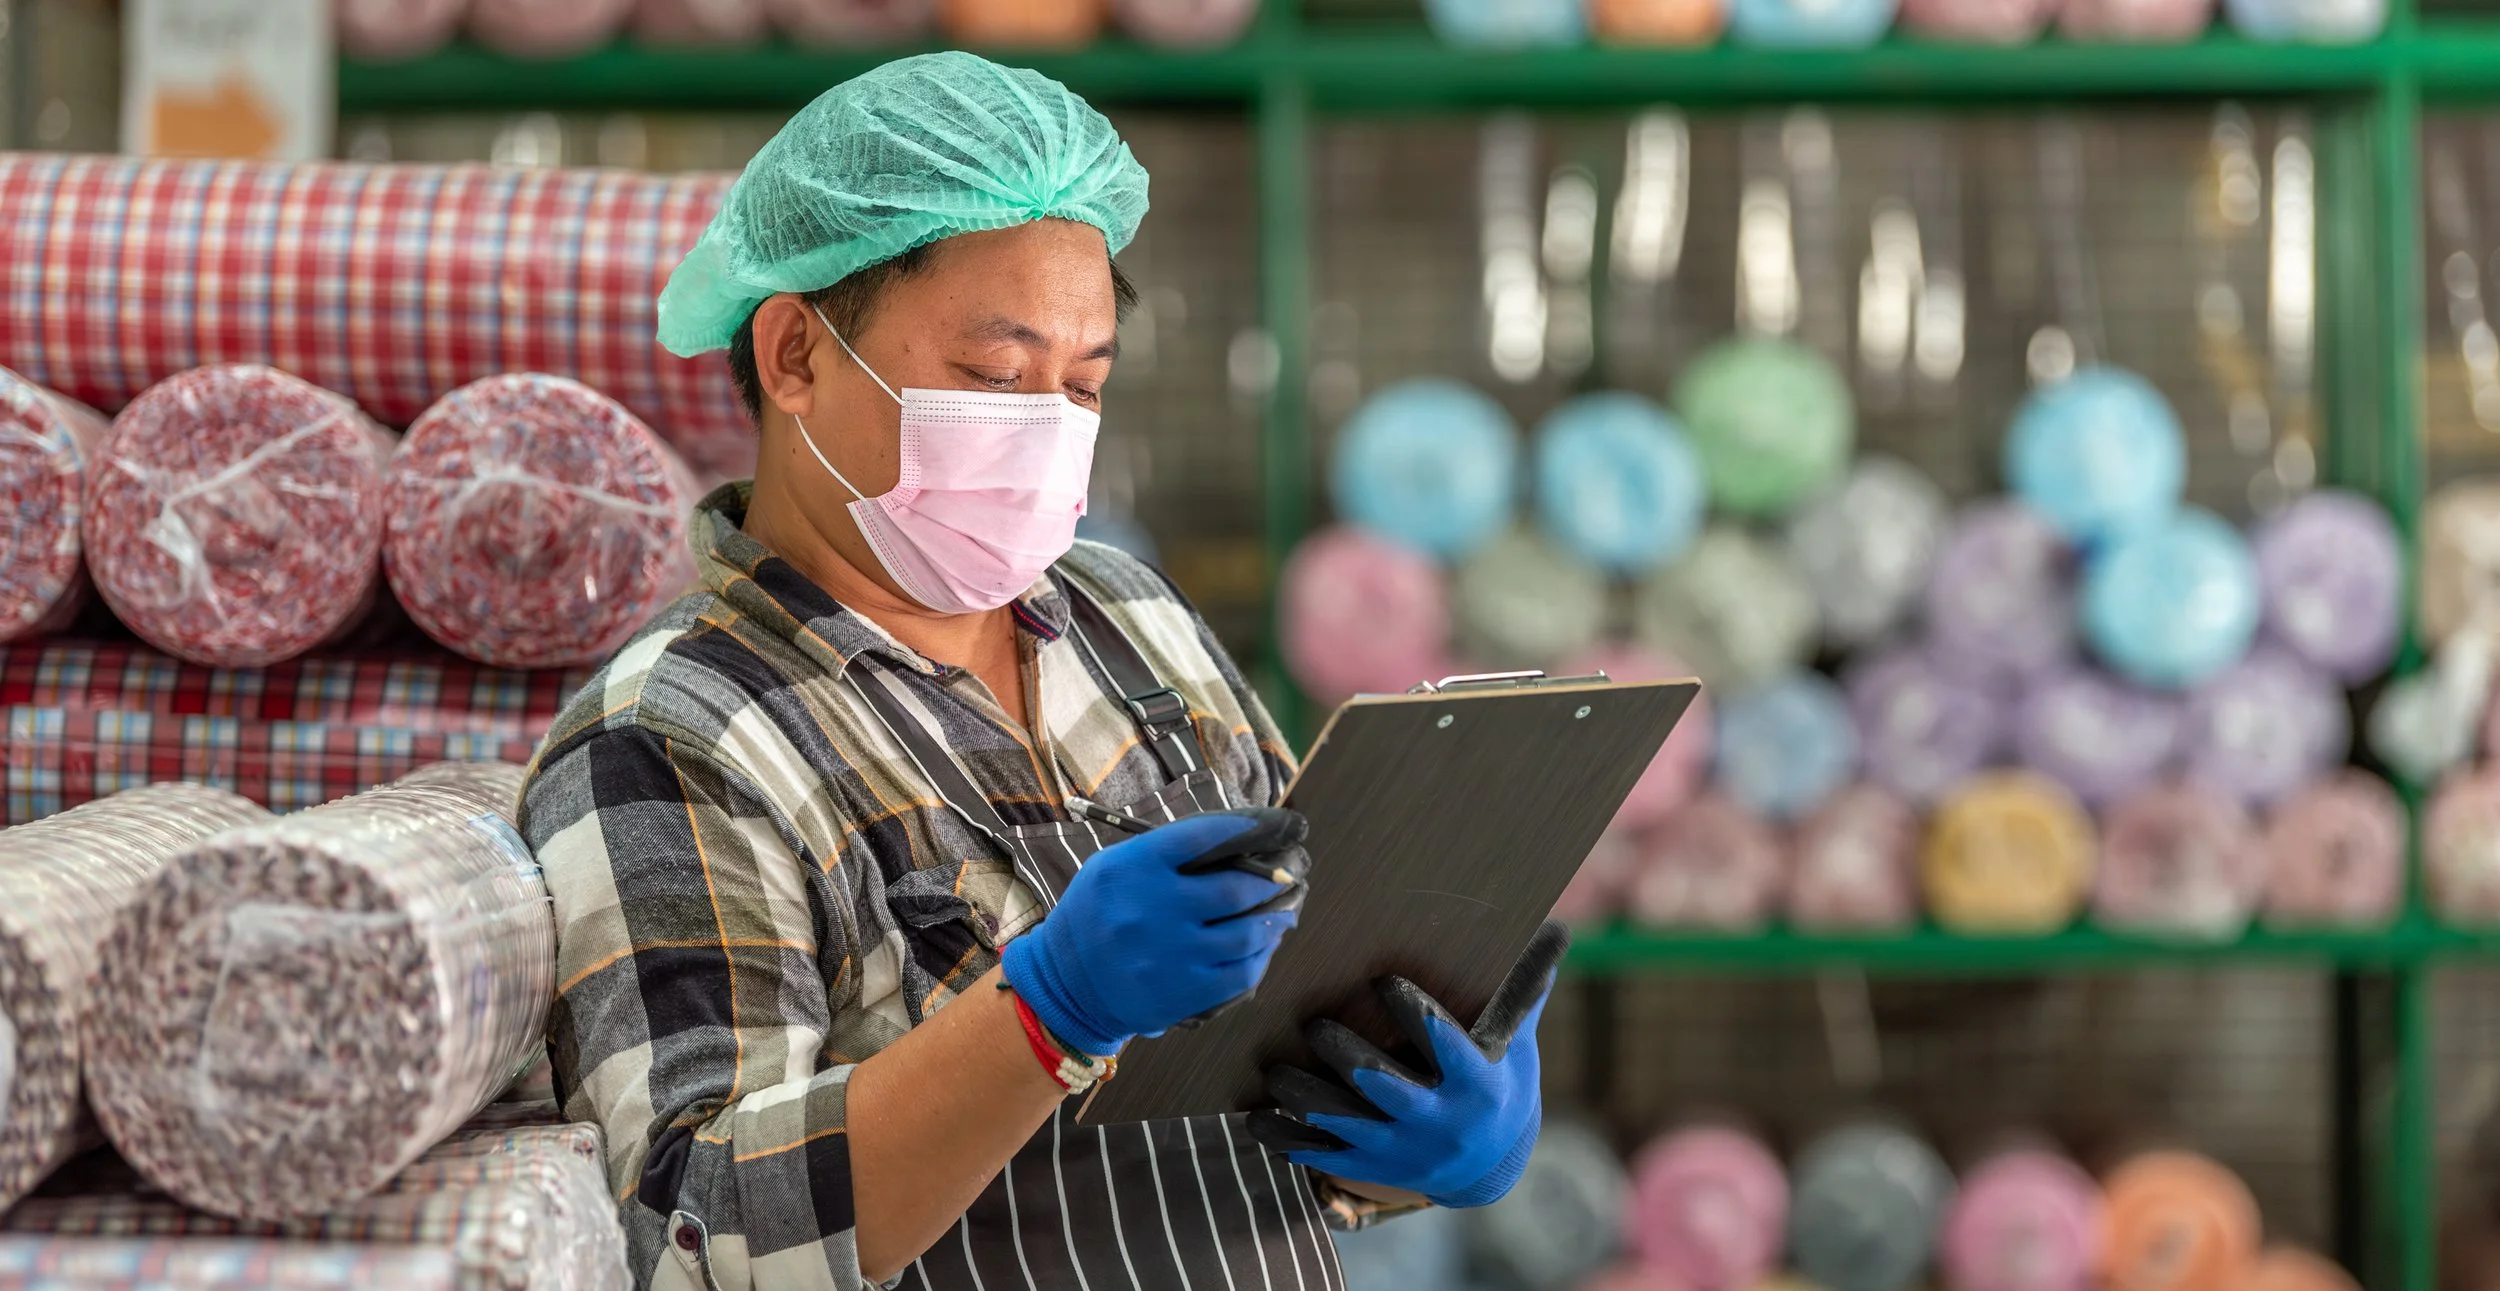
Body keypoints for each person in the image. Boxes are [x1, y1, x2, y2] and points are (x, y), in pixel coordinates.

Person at [519, 52, 1562, 1291]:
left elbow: (1281, 1074)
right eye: (995, 377)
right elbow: (686, 1240)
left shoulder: (1130, 619)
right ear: (795, 353)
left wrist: (1422, 1129)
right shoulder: (670, 739)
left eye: (1082, 384)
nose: (1048, 427)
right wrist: (1042, 1012)